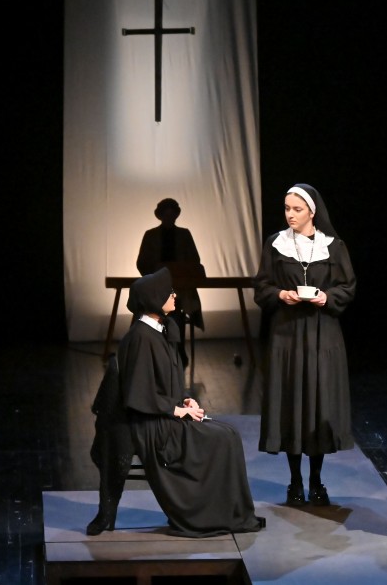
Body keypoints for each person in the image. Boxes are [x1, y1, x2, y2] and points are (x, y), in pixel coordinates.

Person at [118, 267, 265, 537]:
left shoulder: (159, 331)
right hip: (152, 425)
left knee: (229, 434)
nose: (174, 295)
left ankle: (231, 512)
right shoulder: (140, 337)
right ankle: (209, 515)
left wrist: (185, 400)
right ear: (154, 298)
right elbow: (138, 394)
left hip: (164, 414)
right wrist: (176, 411)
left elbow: (164, 383)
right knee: (222, 438)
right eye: (168, 292)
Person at [253, 183, 356, 507]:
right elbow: (261, 287)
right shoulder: (276, 244)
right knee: (292, 405)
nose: (290, 214)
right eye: (287, 208)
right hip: (287, 334)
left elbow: (348, 286)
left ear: (312, 211)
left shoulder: (333, 246)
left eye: (296, 209)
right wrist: (281, 294)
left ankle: (316, 480)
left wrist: (327, 297)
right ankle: (295, 481)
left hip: (323, 334)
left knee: (318, 405)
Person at [136, 198, 204, 368]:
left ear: (175, 215)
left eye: (171, 214)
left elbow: (194, 260)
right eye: (166, 214)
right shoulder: (150, 235)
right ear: (160, 216)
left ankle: (177, 348)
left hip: (180, 287)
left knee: (177, 309)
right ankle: (156, 351)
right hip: (155, 288)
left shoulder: (184, 235)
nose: (169, 217)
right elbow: (142, 262)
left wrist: (181, 272)